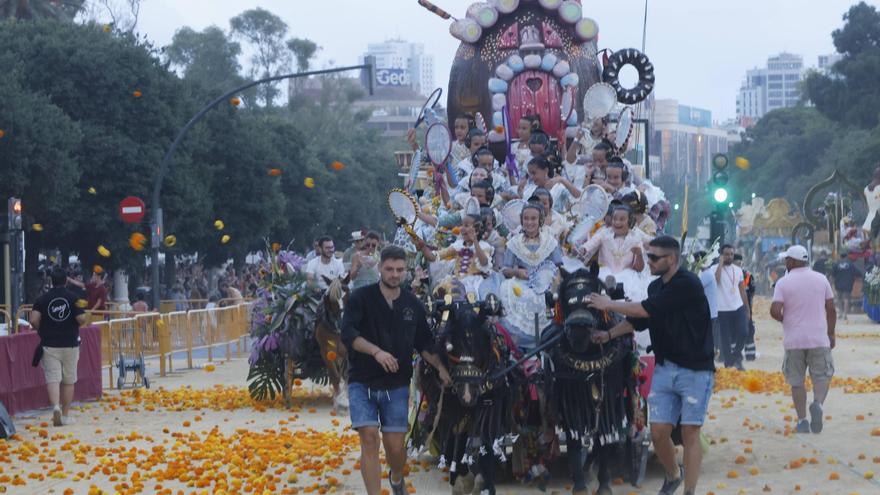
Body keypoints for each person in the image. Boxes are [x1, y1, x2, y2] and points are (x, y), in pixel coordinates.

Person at [589, 236, 714, 495]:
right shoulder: (656, 287)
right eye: (649, 257)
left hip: (695, 370)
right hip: (665, 368)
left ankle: (689, 491)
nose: (650, 262)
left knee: (691, 432)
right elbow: (640, 322)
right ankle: (672, 475)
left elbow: (646, 310)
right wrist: (609, 334)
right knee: (658, 432)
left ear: (672, 259)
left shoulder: (687, 284)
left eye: (655, 258)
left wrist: (608, 303)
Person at [341, 246, 451, 495]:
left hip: (397, 385)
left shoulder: (413, 304)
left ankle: (397, 476)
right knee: (369, 438)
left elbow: (424, 343)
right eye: (389, 269)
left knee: (395, 448)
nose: (394, 274)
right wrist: (376, 352)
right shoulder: (361, 298)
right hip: (362, 380)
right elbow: (348, 334)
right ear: (380, 268)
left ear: (406, 271)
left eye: (399, 270)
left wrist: (442, 368)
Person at [770, 245, 836, 434]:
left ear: (792, 261)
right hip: (818, 338)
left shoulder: (784, 282)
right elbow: (831, 308)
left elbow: (775, 310)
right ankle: (818, 404)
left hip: (794, 340)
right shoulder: (821, 279)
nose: (785, 263)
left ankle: (802, 421)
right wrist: (831, 333)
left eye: (787, 260)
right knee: (822, 376)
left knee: (797, 381)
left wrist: (786, 320)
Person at [29, 268, 87, 427]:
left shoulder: (42, 299)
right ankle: (66, 415)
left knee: (53, 378)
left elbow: (33, 320)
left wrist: (41, 329)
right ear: (66, 281)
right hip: (70, 343)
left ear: (51, 281)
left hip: (49, 343)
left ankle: (55, 406)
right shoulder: (73, 298)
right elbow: (81, 319)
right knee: (68, 380)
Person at [713, 245, 750, 370]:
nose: (729, 257)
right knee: (725, 339)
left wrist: (747, 308)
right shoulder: (715, 268)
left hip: (738, 307)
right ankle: (729, 363)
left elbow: (742, 290)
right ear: (721, 255)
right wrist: (720, 264)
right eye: (726, 254)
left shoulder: (738, 270)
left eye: (731, 254)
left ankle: (736, 356)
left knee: (744, 332)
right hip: (723, 310)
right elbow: (716, 280)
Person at [734, 254, 758, 361]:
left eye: (740, 263)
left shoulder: (747, 275)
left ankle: (750, 354)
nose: (739, 265)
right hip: (733, 307)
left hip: (745, 306)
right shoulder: (730, 273)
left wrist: (749, 304)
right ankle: (734, 354)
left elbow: (752, 291)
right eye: (737, 263)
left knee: (749, 330)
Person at [830, 251, 858, 321]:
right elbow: (857, 273)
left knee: (839, 299)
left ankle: (840, 312)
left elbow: (832, 275)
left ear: (840, 256)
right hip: (848, 283)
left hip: (838, 284)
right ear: (846, 256)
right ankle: (845, 314)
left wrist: (831, 283)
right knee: (846, 299)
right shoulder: (851, 264)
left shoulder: (836, 264)